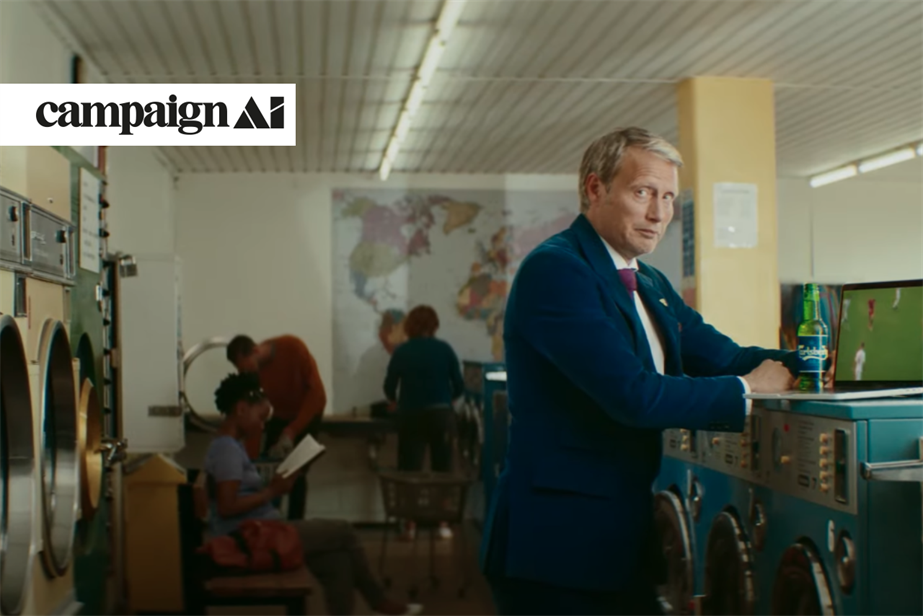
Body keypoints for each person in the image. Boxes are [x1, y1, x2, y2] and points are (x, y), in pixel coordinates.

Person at [479, 127, 812, 616]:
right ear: (596, 189)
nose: (660, 214)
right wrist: (745, 389)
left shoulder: (647, 281)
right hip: (558, 548)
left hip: (621, 538)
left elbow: (727, 356)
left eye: (669, 198)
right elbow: (633, 395)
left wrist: (825, 363)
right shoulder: (557, 270)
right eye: (643, 193)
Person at [204, 372, 423, 616]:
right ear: (242, 409)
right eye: (260, 417)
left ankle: (377, 603)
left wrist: (282, 479)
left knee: (337, 562)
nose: (262, 425)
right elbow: (227, 506)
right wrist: (271, 491)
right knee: (344, 531)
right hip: (253, 539)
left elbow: (238, 491)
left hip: (263, 532)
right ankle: (379, 602)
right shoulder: (226, 450)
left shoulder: (229, 446)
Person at [383, 305, 465, 540]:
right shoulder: (444, 349)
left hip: (410, 416)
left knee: (410, 470)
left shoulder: (402, 352)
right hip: (441, 415)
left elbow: (389, 386)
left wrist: (393, 401)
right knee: (443, 469)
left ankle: (409, 525)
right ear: (434, 325)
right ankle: (442, 523)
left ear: (409, 326)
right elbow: (459, 385)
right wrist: (445, 400)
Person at [227, 334, 327, 520]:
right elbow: (254, 416)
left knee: (296, 473)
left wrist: (293, 430)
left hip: (308, 411)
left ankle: (296, 526)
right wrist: (252, 460)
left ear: (256, 350)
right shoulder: (252, 373)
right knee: (271, 470)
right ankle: (270, 522)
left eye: (246, 365)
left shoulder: (293, 347)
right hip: (280, 415)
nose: (246, 372)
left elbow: (317, 395)